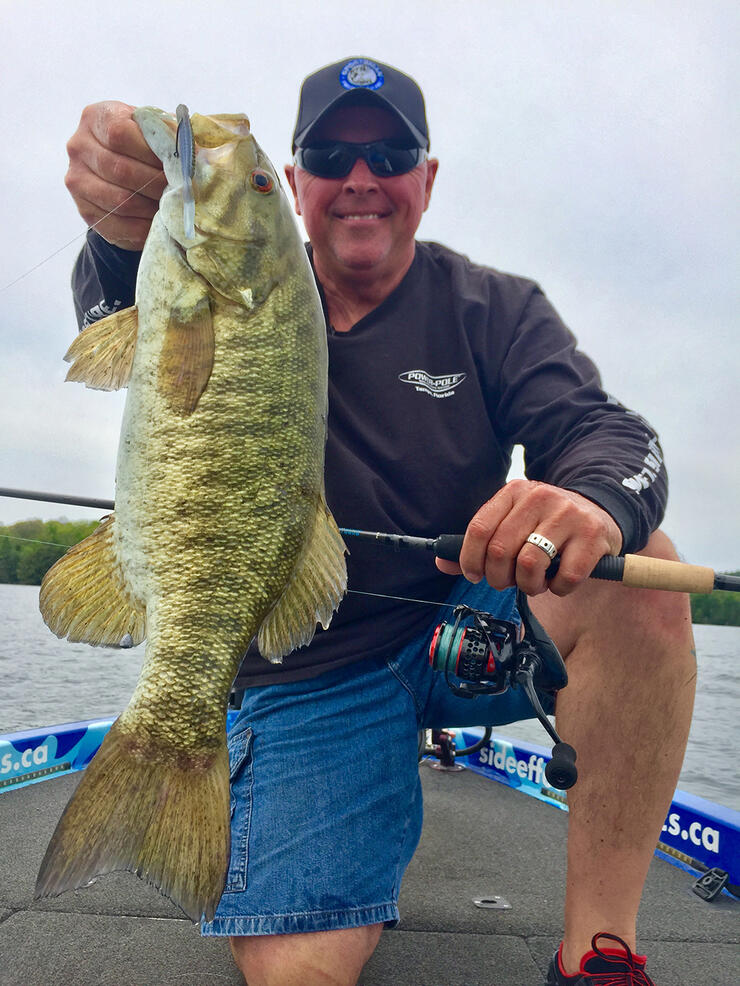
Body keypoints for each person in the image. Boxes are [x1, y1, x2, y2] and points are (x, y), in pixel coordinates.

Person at [64, 58, 696, 986]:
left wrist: (591, 504)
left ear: (426, 179)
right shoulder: (209, 289)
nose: (361, 176)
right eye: (329, 153)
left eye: (390, 151)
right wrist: (121, 230)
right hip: (306, 665)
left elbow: (607, 432)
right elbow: (124, 311)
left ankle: (599, 952)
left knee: (642, 572)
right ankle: (268, 781)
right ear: (297, 183)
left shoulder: (494, 311)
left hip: (459, 627)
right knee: (300, 972)